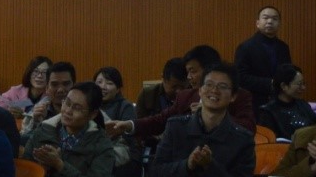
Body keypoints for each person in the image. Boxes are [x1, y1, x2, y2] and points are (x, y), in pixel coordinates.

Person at [108, 45, 256, 143]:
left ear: (209, 69)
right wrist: (128, 125)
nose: (189, 77)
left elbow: (248, 127)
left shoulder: (238, 95)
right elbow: (159, 121)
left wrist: (214, 117)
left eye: (193, 71)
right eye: (188, 72)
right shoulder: (186, 96)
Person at [24, 81, 116, 177]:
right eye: (67, 103)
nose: (68, 111)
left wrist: (60, 165)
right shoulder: (44, 130)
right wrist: (41, 169)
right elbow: (24, 176)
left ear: (92, 114)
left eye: (77, 108)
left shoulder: (101, 145)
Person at [234, 6, 292, 108]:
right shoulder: (245, 47)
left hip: (280, 101)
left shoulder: (283, 47)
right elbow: (240, 77)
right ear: (257, 23)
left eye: (274, 19)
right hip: (254, 102)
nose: (270, 21)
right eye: (265, 18)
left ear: (279, 24)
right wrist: (270, 83)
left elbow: (288, 72)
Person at [257, 63, 316, 140]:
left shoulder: (303, 105)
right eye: (299, 84)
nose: (303, 88)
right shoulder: (268, 112)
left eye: (303, 83)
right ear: (284, 86)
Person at [19, 61, 76, 140]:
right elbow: (24, 139)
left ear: (74, 86)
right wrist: (36, 122)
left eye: (66, 84)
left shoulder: (84, 112)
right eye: (54, 84)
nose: (60, 90)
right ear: (47, 88)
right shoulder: (37, 111)